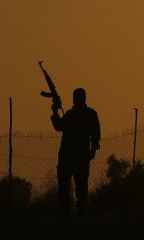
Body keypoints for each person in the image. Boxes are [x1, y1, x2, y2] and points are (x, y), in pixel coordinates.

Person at [51, 87, 101, 216]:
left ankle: (69, 212)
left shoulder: (72, 114)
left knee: (69, 186)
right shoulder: (89, 114)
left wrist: (55, 111)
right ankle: (78, 212)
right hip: (78, 155)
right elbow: (96, 135)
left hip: (70, 155)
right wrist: (92, 150)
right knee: (79, 186)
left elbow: (58, 126)